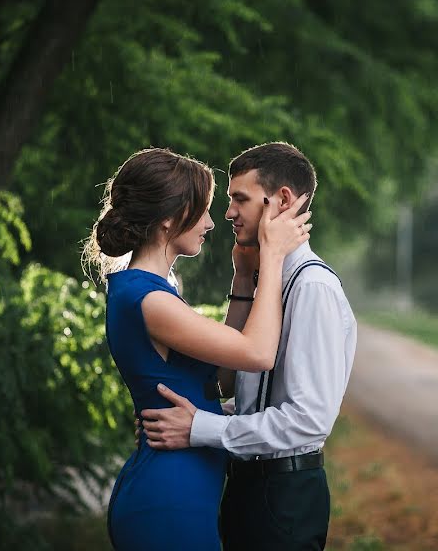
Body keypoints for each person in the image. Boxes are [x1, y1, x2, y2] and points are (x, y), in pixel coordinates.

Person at [83, 148, 313, 551]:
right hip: (169, 498)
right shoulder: (147, 298)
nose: (211, 223)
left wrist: (243, 281)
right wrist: (272, 255)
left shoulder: (158, 292)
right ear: (170, 219)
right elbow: (258, 354)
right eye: (203, 210)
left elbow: (223, 378)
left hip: (186, 490)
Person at [140, 142, 358, 551]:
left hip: (284, 496)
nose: (227, 213)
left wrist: (200, 428)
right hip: (247, 488)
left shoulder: (312, 288)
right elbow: (247, 394)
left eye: (239, 199)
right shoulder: (269, 282)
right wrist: (198, 414)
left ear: (283, 201)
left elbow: (308, 420)